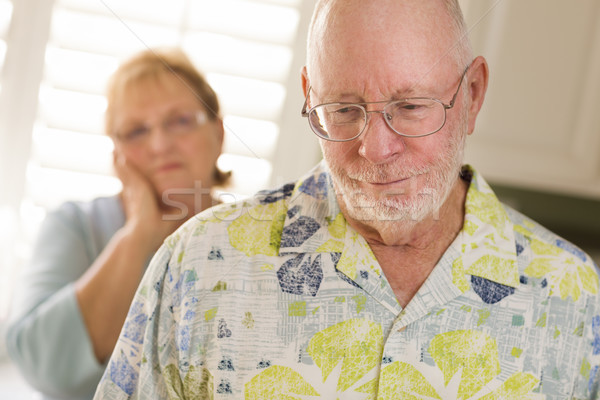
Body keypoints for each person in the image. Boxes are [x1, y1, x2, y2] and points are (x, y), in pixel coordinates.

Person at [94, 1, 600, 398]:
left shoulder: (575, 295)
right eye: (342, 109)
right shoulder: (197, 264)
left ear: (472, 95)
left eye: (411, 106)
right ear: (309, 94)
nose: (375, 148)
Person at [6, 48, 229, 400]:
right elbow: (44, 367)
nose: (159, 144)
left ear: (217, 133)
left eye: (180, 121)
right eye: (136, 131)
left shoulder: (256, 235)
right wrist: (139, 234)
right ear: (117, 155)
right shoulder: (74, 225)